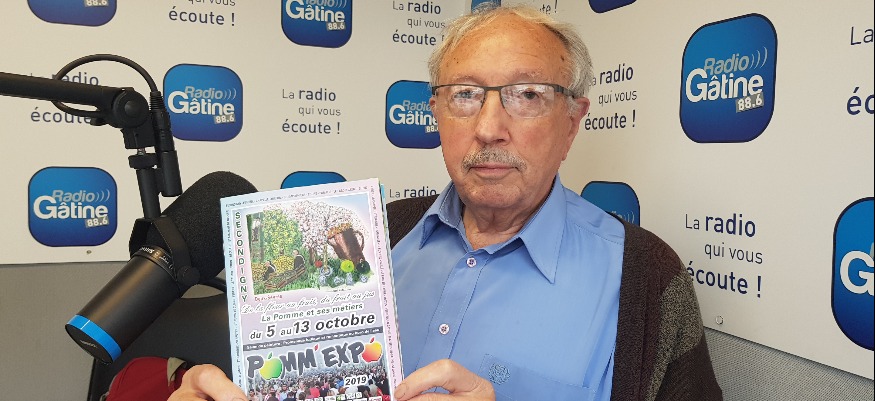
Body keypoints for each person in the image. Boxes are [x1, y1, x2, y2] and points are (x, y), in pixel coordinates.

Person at [168, 4, 721, 401]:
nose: (489, 127)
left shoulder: (646, 279)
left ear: (573, 122)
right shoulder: (363, 237)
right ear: (435, 114)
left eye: (527, 95)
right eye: (465, 95)